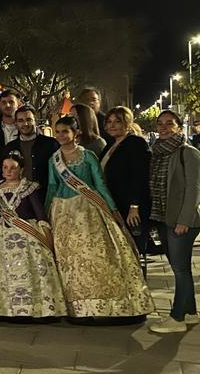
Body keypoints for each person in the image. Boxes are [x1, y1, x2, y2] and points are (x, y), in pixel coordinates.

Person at [45, 116, 152, 319]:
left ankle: (101, 302)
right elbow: (52, 186)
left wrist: (112, 209)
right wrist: (45, 214)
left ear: (75, 133)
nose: (60, 135)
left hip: (89, 210)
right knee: (69, 259)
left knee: (94, 256)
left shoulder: (88, 156)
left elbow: (100, 184)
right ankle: (74, 305)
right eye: (57, 131)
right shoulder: (54, 159)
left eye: (65, 131)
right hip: (62, 212)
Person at [0, 152, 66, 318]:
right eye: (5, 168)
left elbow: (39, 212)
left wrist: (46, 234)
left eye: (13, 168)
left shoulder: (29, 187)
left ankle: (35, 308)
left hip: (26, 231)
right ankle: (5, 308)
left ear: (21, 169)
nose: (8, 171)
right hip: (1, 234)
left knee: (32, 266)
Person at [148, 110, 200, 333]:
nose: (163, 127)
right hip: (163, 216)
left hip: (181, 220)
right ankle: (190, 313)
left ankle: (177, 317)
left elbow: (194, 189)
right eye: (160, 123)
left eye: (170, 123)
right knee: (180, 267)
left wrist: (184, 220)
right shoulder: (157, 152)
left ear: (179, 126)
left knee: (179, 269)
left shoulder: (188, 152)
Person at [99, 107, 152, 253]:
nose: (112, 125)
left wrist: (134, 206)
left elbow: (140, 176)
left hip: (131, 207)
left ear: (127, 123)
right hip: (115, 205)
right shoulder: (110, 145)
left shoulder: (135, 143)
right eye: (109, 122)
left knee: (133, 250)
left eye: (117, 121)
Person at [4, 106, 59, 201]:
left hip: (46, 197)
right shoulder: (10, 147)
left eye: (29, 119)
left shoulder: (51, 144)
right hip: (18, 199)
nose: (25, 124)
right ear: (16, 123)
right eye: (20, 120)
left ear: (35, 121)